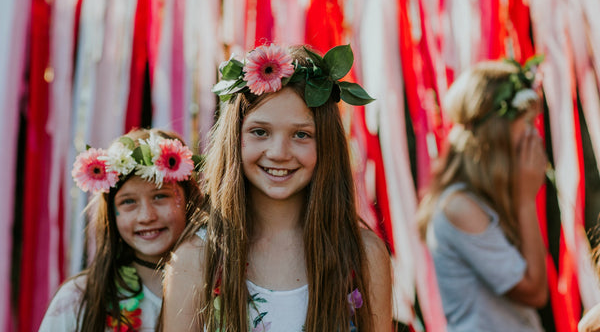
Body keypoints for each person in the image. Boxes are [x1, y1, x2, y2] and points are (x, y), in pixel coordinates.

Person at [161, 43, 392, 332]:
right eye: (260, 132)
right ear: (235, 138)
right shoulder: (196, 258)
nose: (279, 152)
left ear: (327, 144)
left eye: (301, 134)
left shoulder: (363, 254)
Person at [417, 60, 548, 331]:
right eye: (526, 123)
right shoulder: (459, 208)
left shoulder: (484, 198)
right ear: (496, 131)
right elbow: (535, 291)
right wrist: (526, 201)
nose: (533, 135)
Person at [39, 128, 202, 332]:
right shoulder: (78, 299)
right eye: (128, 202)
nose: (146, 216)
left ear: (190, 199)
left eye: (160, 196)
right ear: (110, 213)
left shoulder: (221, 287)